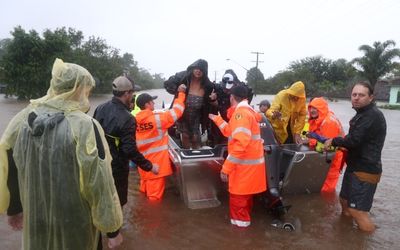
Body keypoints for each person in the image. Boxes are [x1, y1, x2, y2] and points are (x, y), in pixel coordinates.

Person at [0, 58, 123, 249]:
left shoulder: (24, 117)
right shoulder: (84, 126)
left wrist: (15, 207)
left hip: (36, 215)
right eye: (86, 91)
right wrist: (112, 229)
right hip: (75, 220)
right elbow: (98, 179)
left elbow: (8, 156)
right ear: (78, 89)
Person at [324, 82, 386, 232]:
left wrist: (334, 140)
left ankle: (367, 238)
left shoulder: (371, 116)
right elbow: (358, 141)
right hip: (354, 167)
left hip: (365, 170)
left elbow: (354, 140)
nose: (357, 98)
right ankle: (346, 237)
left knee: (358, 211)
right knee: (344, 202)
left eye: (361, 95)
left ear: (371, 98)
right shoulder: (362, 114)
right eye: (354, 94)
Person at [93, 76, 159, 208]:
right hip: (117, 168)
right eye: (132, 93)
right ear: (127, 93)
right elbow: (129, 150)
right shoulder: (127, 118)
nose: (133, 96)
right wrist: (149, 166)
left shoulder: (100, 108)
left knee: (102, 201)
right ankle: (114, 228)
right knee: (117, 203)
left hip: (99, 164)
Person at [209, 85, 266, 227]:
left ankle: (239, 238)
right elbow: (230, 131)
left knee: (238, 205)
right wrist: (218, 119)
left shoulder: (241, 114)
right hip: (250, 168)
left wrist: (226, 168)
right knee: (244, 202)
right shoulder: (247, 113)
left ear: (232, 97)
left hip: (243, 169)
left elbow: (240, 145)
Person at [135, 85, 186, 200]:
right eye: (152, 102)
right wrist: (181, 94)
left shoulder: (134, 121)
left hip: (143, 165)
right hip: (156, 167)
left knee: (143, 194)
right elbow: (177, 111)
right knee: (154, 200)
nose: (154, 104)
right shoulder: (158, 119)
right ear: (147, 105)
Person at [164, 59, 216, 149]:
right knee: (185, 136)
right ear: (192, 68)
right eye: (196, 68)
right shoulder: (183, 77)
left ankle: (198, 154)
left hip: (196, 115)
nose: (198, 71)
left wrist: (213, 99)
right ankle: (186, 153)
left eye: (201, 69)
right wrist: (177, 88)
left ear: (205, 72)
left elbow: (213, 103)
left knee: (196, 137)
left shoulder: (208, 85)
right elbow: (167, 84)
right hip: (182, 113)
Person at [305, 97, 346, 192]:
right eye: (311, 108)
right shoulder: (318, 118)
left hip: (333, 157)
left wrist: (310, 141)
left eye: (315, 108)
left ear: (321, 109)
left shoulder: (328, 122)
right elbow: (312, 134)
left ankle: (326, 203)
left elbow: (328, 146)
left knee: (327, 188)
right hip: (326, 156)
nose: (312, 110)